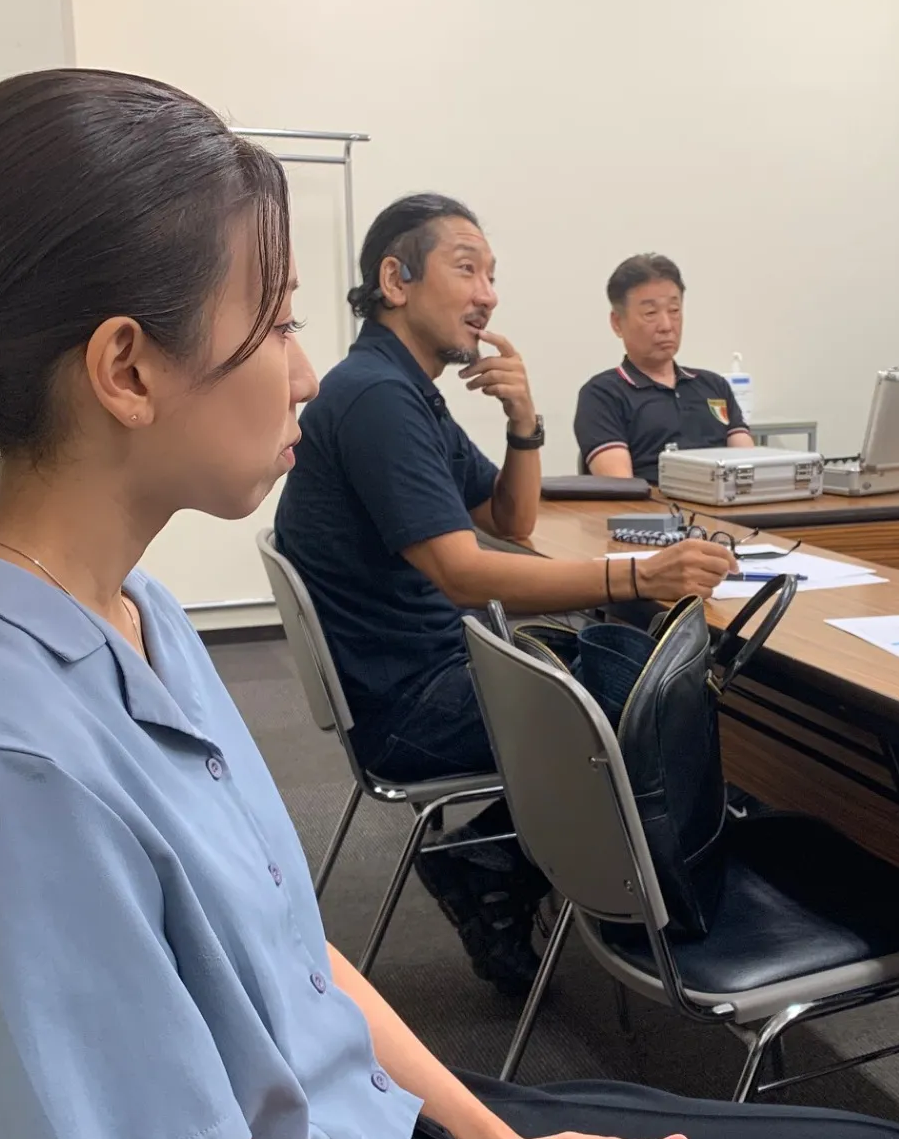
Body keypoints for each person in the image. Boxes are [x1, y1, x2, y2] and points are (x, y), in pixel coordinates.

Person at [0, 69, 899, 1139]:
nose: (301, 372)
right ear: (126, 367)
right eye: (276, 323)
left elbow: (298, 957)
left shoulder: (135, 613)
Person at [272, 200, 736, 995]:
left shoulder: (404, 389)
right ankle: (519, 869)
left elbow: (509, 520)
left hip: (425, 670)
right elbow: (464, 572)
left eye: (492, 275)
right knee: (648, 704)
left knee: (631, 676)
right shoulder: (376, 397)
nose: (488, 293)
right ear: (395, 280)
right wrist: (637, 577)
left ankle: (491, 857)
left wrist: (524, 421)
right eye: (467, 268)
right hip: (409, 703)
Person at [575, 254, 754, 481]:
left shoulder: (714, 386)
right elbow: (621, 488)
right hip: (653, 503)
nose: (667, 326)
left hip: (723, 502)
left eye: (674, 310)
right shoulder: (602, 395)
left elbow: (751, 468)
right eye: (651, 313)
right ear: (617, 323)